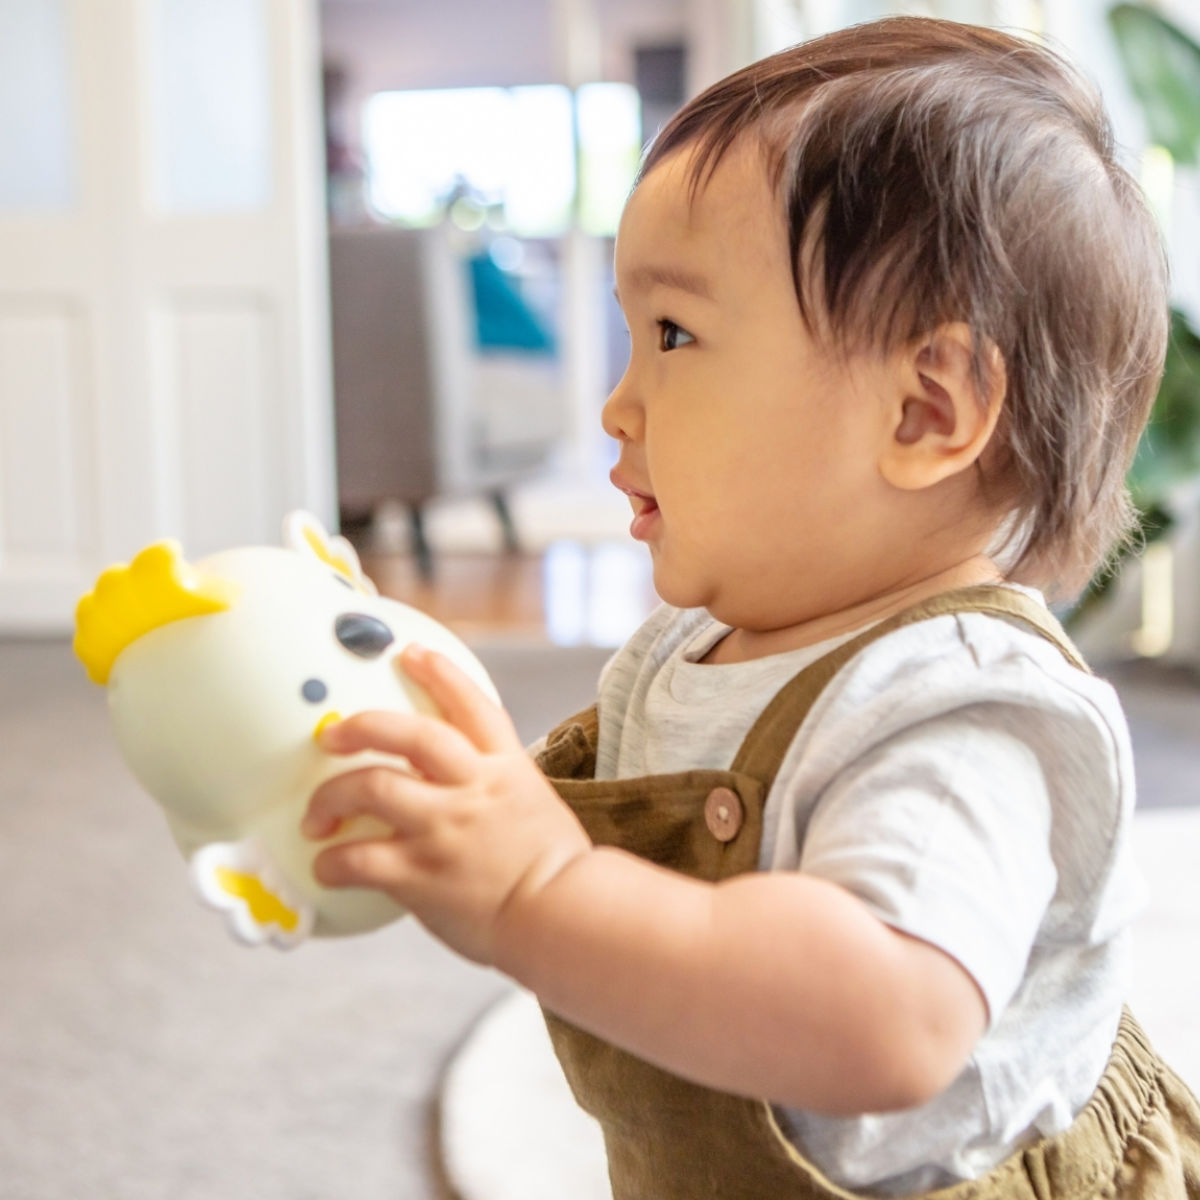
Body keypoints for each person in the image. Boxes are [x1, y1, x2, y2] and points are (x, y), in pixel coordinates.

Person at [302, 17, 1200, 1198]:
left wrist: (537, 891)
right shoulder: (690, 651)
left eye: (674, 334)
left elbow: (884, 1018)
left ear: (926, 411)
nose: (619, 403)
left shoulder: (965, 712)